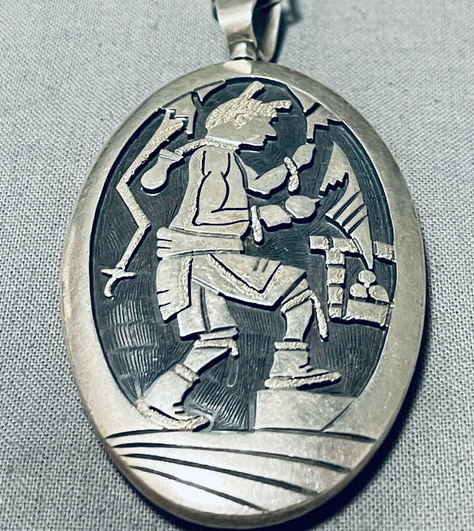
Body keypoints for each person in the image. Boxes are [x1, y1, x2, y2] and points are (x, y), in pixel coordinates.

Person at [136, 82, 339, 431]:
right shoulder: (213, 157)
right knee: (297, 292)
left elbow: (259, 186)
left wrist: (294, 165)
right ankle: (288, 367)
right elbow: (213, 215)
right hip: (205, 255)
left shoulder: (222, 155)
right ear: (240, 121)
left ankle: (159, 400)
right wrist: (281, 212)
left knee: (215, 338)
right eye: (266, 124)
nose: (271, 133)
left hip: (191, 260)